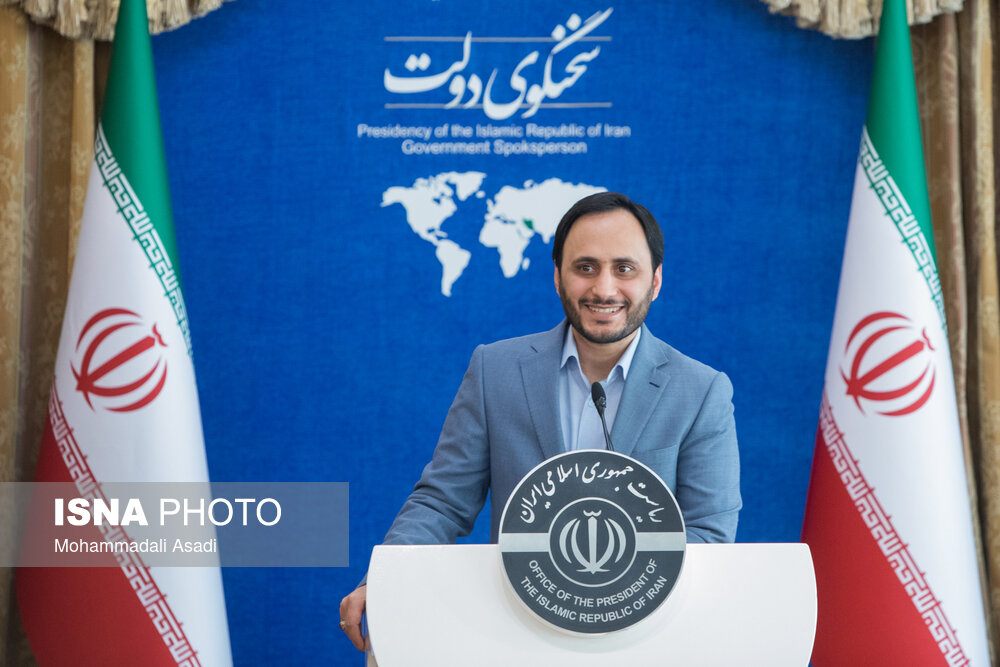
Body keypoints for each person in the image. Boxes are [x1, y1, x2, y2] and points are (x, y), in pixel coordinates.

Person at [339, 192, 741, 650]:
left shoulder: (701, 391)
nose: (604, 289)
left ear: (655, 280)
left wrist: (611, 599)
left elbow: (708, 537)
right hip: (514, 633)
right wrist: (386, 578)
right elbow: (442, 502)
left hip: (642, 640)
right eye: (585, 267)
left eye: (624, 269)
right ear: (557, 277)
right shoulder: (495, 370)